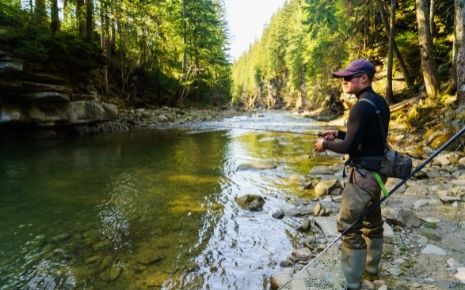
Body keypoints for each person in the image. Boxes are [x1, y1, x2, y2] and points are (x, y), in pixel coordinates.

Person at [314, 59, 390, 290]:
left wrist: (324, 145)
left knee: (348, 224)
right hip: (378, 174)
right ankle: (371, 269)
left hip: (363, 177)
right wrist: (337, 132)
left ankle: (352, 283)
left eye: (349, 77)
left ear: (364, 78)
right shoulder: (378, 103)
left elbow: (348, 147)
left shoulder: (360, 107)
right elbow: (365, 137)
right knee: (372, 220)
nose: (344, 81)